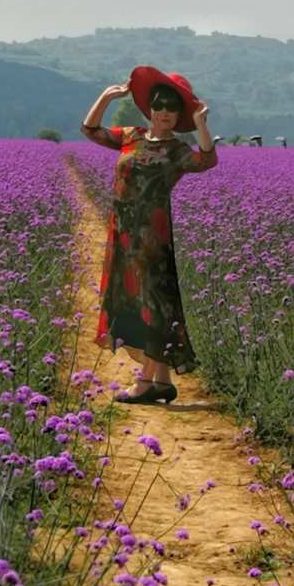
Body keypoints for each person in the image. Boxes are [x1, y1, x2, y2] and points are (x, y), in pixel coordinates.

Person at [81, 65, 217, 404]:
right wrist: (106, 97)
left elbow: (206, 160)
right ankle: (161, 380)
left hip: (153, 240)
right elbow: (91, 130)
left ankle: (143, 383)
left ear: (179, 114)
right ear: (150, 108)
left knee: (155, 304)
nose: (165, 113)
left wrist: (201, 125)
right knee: (135, 300)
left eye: (173, 107)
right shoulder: (132, 136)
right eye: (159, 105)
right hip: (123, 234)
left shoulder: (177, 151)